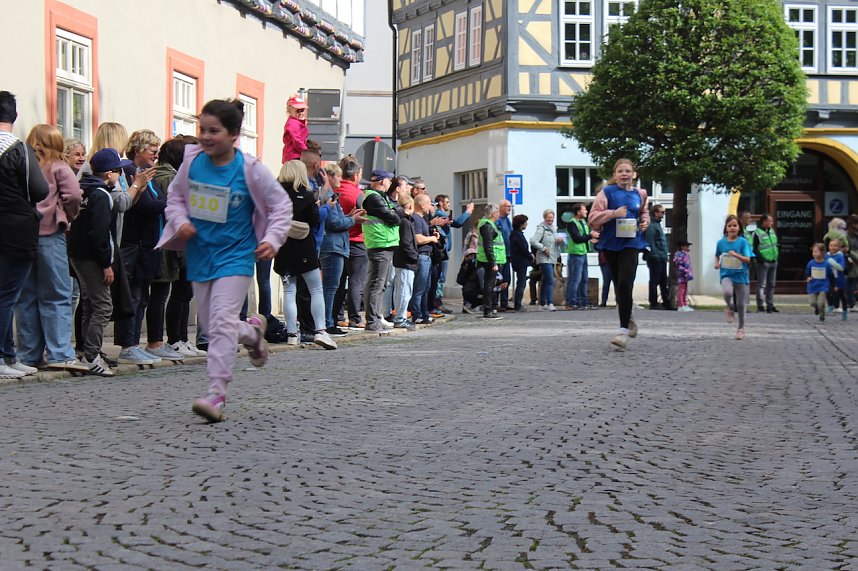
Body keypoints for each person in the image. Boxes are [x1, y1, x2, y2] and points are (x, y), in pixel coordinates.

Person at [157, 98, 292, 423]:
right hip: (200, 256)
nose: (204, 136)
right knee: (217, 325)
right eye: (201, 129)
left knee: (217, 325)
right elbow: (173, 198)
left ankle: (216, 394)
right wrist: (179, 221)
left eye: (213, 131)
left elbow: (281, 206)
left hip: (236, 256)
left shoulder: (250, 169)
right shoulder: (192, 163)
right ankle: (251, 333)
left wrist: (272, 239)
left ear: (233, 134)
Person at [16, 124, 86, 372]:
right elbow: (74, 196)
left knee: (26, 297)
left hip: (23, 236)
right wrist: (68, 216)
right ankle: (59, 353)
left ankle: (29, 354)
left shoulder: (22, 165)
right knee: (57, 295)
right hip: (50, 235)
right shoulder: (58, 167)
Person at [0, 91, 50, 379]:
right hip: (15, 229)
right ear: (14, 116)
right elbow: (40, 190)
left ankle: (8, 353)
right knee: (7, 296)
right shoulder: (18, 148)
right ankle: (4, 355)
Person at [148, 136, 206, 358]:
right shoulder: (169, 177)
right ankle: (173, 339)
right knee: (175, 293)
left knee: (184, 292)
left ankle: (181, 338)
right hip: (175, 243)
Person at [68, 148, 123, 376]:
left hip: (79, 255)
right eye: (118, 171)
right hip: (91, 257)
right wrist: (105, 264)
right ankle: (92, 355)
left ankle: (87, 351)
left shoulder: (87, 189)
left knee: (90, 303)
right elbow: (99, 233)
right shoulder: (101, 196)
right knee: (103, 305)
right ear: (110, 173)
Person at [273, 160, 336, 349]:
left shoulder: (274, 195)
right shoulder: (305, 195)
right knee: (316, 289)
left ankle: (292, 333)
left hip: (283, 247)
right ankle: (321, 331)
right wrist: (324, 207)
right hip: (304, 247)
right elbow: (315, 219)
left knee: (289, 291)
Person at [588, 158, 650, 350]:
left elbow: (643, 212)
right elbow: (592, 218)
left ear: (634, 174)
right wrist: (613, 214)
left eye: (628, 171)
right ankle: (628, 315)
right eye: (620, 171)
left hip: (631, 242)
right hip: (611, 243)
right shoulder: (606, 193)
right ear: (614, 175)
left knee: (625, 282)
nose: (624, 174)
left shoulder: (640, 193)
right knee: (618, 284)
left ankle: (622, 331)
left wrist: (645, 222)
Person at [319, 162, 366, 335]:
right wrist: (353, 220)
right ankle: (327, 322)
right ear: (330, 177)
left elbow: (337, 219)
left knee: (332, 286)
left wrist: (349, 216)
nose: (341, 179)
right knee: (330, 287)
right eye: (338, 176)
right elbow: (334, 223)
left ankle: (329, 320)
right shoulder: (329, 195)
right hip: (333, 246)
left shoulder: (332, 194)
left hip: (336, 245)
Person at [361, 169, 400, 332]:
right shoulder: (373, 197)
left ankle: (377, 317)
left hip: (384, 243)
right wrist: (395, 215)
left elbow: (394, 215)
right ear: (383, 181)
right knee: (376, 283)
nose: (391, 184)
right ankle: (372, 321)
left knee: (380, 283)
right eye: (390, 181)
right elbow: (394, 218)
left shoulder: (378, 197)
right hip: (379, 243)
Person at [332, 157, 368, 330]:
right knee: (355, 281)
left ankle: (337, 316)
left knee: (338, 281)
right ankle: (354, 317)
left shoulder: (335, 189)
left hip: (337, 239)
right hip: (356, 240)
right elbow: (365, 216)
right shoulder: (358, 194)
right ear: (355, 175)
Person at [431, 193, 473, 313]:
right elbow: (458, 223)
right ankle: (437, 303)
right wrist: (468, 211)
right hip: (440, 252)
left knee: (441, 278)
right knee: (440, 278)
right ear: (440, 203)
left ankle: (438, 302)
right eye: (447, 202)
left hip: (444, 252)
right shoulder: (440, 214)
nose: (449, 204)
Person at [715, 214, 753, 340]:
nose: (732, 228)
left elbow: (748, 259)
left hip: (740, 276)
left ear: (739, 228)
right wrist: (716, 263)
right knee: (727, 292)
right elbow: (717, 254)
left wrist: (736, 255)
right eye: (730, 226)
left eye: (735, 226)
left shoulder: (743, 242)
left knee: (741, 304)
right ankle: (730, 307)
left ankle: (741, 328)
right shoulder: (721, 243)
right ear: (726, 228)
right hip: (726, 275)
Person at [410, 193, 440, 325]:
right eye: (428, 203)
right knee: (419, 288)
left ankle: (424, 313)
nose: (430, 206)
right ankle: (417, 314)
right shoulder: (416, 219)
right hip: (421, 256)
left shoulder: (422, 219)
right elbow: (417, 238)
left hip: (427, 257)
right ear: (422, 205)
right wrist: (431, 239)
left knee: (426, 288)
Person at [565, 202, 599, 310]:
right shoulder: (572, 223)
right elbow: (577, 238)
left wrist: (591, 238)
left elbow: (585, 236)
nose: (586, 211)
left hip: (583, 253)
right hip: (575, 254)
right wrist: (590, 236)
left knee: (584, 279)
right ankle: (571, 302)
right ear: (578, 212)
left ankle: (583, 302)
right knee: (575, 279)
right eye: (584, 210)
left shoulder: (583, 222)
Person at [392, 195, 418, 330]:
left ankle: (400, 316)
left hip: (402, 260)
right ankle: (400, 318)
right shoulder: (405, 222)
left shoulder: (402, 221)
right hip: (406, 261)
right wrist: (415, 257)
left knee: (402, 289)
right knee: (404, 290)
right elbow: (406, 243)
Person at [530, 209, 563, 311]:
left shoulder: (554, 229)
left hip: (552, 258)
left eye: (552, 218)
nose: (550, 219)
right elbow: (533, 241)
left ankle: (542, 303)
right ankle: (550, 303)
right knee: (549, 279)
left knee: (545, 280)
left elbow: (554, 244)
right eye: (548, 217)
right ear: (544, 218)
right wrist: (543, 248)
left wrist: (558, 242)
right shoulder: (541, 228)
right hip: (544, 258)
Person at [476, 204, 505, 319]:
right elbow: (488, 245)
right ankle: (487, 310)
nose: (498, 214)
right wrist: (493, 263)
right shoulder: (487, 225)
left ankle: (490, 308)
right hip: (488, 260)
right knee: (489, 285)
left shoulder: (488, 224)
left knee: (491, 284)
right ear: (494, 213)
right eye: (497, 212)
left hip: (488, 258)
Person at [645, 203, 671, 310]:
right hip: (655, 257)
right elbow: (650, 242)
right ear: (656, 213)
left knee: (663, 281)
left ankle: (666, 302)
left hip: (661, 257)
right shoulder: (651, 225)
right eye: (662, 212)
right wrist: (655, 255)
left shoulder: (657, 225)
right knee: (654, 280)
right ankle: (653, 302)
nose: (663, 214)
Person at [753, 213, 779, 313]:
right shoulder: (757, 233)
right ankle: (760, 306)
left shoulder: (772, 231)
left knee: (771, 284)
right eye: (770, 221)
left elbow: (775, 245)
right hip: (763, 263)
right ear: (764, 222)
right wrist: (761, 260)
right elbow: (754, 249)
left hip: (773, 261)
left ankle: (770, 305)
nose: (772, 223)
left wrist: (776, 257)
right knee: (761, 284)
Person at [509, 214, 533, 312]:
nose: (526, 224)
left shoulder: (515, 234)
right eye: (525, 223)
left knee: (521, 282)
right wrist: (530, 256)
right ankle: (518, 304)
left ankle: (518, 303)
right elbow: (523, 249)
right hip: (520, 262)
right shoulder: (517, 235)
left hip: (518, 261)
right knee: (521, 283)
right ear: (521, 224)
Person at [825, 238, 848, 320]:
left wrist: (833, 263)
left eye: (835, 246)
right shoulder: (826, 255)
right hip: (830, 278)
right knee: (827, 292)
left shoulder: (840, 255)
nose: (833, 247)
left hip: (839, 279)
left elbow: (841, 268)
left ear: (838, 247)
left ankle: (845, 310)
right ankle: (831, 305)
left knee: (842, 296)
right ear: (828, 246)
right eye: (831, 245)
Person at [806, 243, 831, 322]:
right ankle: (816, 308)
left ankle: (822, 314)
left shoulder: (826, 264)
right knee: (812, 302)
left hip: (823, 286)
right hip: (813, 285)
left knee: (821, 302)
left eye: (816, 252)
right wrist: (808, 278)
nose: (814, 254)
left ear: (822, 253)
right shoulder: (811, 263)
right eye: (813, 252)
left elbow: (830, 274)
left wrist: (832, 285)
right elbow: (807, 272)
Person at [281, 94, 309, 163]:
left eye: (302, 110)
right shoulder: (292, 123)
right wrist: (307, 152)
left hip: (295, 155)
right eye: (297, 111)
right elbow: (297, 141)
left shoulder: (295, 122)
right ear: (289, 111)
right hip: (294, 156)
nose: (300, 113)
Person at [496, 199, 513, 311]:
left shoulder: (507, 220)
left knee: (507, 279)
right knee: (498, 280)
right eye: (507, 206)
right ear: (501, 207)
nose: (509, 208)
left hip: (508, 255)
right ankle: (495, 302)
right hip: (499, 255)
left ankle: (504, 302)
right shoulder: (498, 220)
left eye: (510, 206)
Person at [673, 239, 694, 312]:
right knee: (681, 289)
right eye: (686, 246)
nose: (688, 247)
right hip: (681, 274)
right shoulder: (679, 254)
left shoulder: (686, 254)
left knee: (685, 289)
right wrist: (685, 270)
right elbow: (678, 264)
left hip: (686, 274)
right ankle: (680, 305)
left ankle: (684, 304)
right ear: (682, 246)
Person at [846, 214, 858, 309]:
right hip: (852, 263)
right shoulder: (846, 236)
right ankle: (851, 303)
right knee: (851, 284)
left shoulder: (856, 235)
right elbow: (847, 250)